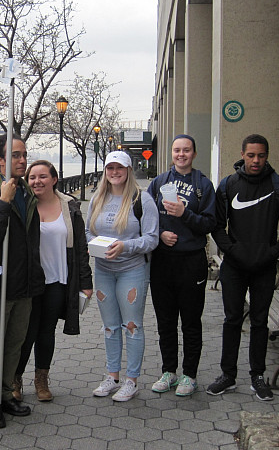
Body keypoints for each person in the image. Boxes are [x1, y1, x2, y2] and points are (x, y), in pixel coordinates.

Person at [207, 134, 279, 401]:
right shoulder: (228, 185)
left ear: (267, 156)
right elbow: (216, 225)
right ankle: (228, 375)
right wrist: (233, 251)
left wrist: (272, 253)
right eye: (251, 155)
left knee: (260, 322)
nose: (256, 160)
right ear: (243, 154)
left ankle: (257, 376)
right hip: (234, 267)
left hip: (264, 266)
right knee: (232, 320)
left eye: (261, 155)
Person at [0, 133, 45, 428]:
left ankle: (7, 394)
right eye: (15, 155)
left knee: (14, 347)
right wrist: (3, 202)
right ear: (0, 160)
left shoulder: (27, 192)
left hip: (24, 286)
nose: (22, 160)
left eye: (24, 154)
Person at [13, 160, 93, 402]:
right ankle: (15, 379)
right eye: (32, 177)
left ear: (54, 179)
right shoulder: (23, 205)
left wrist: (85, 281)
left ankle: (41, 379)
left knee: (46, 332)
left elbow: (81, 246)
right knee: (25, 332)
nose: (37, 181)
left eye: (43, 176)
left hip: (58, 279)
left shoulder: (69, 206)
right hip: (29, 281)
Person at [86, 151, 159, 402]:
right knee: (109, 327)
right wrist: (93, 245)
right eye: (110, 168)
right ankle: (112, 375)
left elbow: (152, 238)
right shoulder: (97, 198)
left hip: (132, 270)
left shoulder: (143, 200)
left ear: (128, 170)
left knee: (132, 325)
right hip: (104, 270)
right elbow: (88, 231)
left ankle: (132, 380)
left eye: (120, 168)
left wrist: (125, 247)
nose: (114, 172)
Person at [146, 135, 216, 397]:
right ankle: (168, 371)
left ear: (194, 154)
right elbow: (145, 218)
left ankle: (190, 374)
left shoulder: (203, 185)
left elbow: (210, 223)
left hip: (191, 261)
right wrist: (161, 233)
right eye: (177, 150)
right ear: (171, 153)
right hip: (162, 262)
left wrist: (184, 214)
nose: (181, 154)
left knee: (190, 321)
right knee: (165, 321)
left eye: (186, 150)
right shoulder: (158, 182)